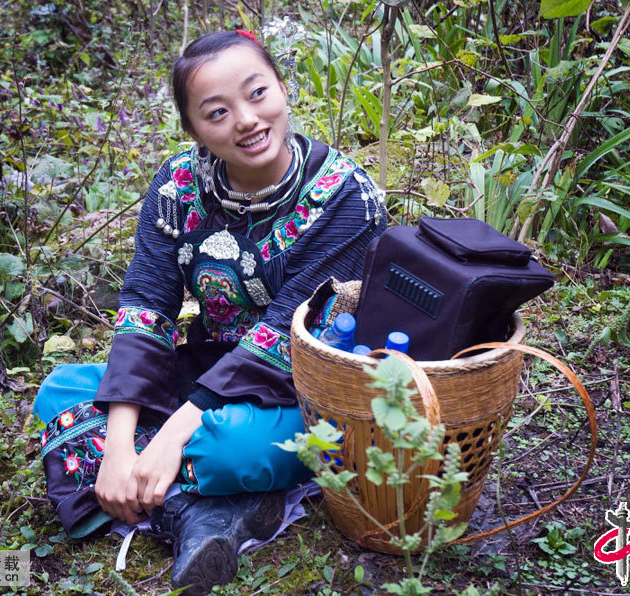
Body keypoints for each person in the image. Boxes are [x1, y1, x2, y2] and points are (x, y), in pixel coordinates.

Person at [34, 30, 386, 595]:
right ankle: (193, 512)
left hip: (303, 387)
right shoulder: (177, 187)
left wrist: (171, 433)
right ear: (194, 130)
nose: (245, 119)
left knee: (230, 449)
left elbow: (284, 337)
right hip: (209, 368)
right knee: (60, 389)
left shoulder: (347, 198)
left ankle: (158, 488)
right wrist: (121, 444)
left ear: (284, 89)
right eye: (217, 112)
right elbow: (147, 306)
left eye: (257, 93)